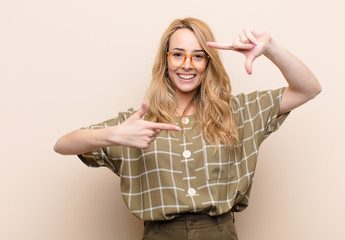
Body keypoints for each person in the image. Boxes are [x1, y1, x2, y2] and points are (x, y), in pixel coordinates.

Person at [54, 17, 321, 240]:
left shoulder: (238, 112)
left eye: (198, 56)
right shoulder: (137, 124)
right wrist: (114, 134)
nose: (187, 65)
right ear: (166, 60)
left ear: (208, 63)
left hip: (219, 232)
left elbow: (308, 89)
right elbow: (63, 144)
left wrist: (270, 47)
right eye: (178, 54)